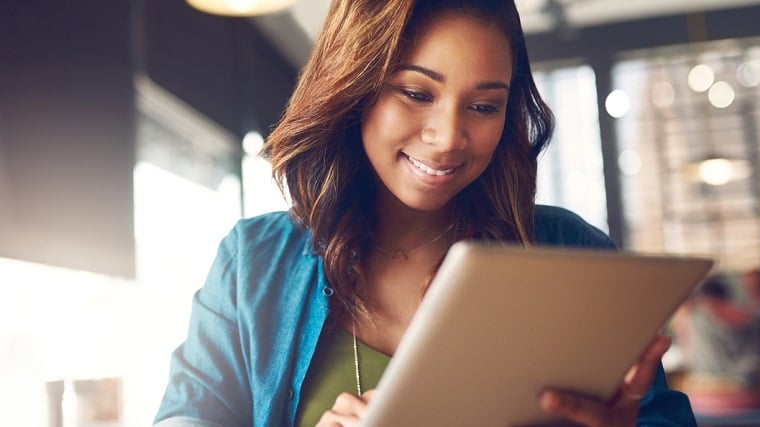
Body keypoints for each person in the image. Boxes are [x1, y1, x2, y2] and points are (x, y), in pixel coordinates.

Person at [153, 0, 696, 425]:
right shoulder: (254, 261)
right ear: (354, 89)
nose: (448, 137)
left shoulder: (571, 254)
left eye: (484, 106)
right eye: (416, 92)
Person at [672, 276, 760, 415]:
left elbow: (688, 358)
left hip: (708, 397)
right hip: (756, 396)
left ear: (702, 298)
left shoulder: (695, 318)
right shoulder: (756, 317)